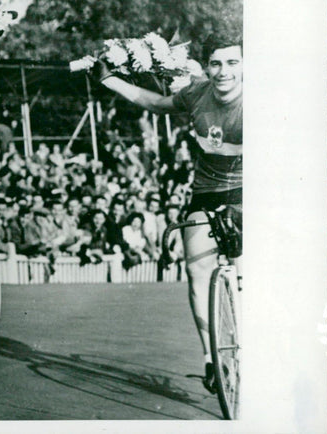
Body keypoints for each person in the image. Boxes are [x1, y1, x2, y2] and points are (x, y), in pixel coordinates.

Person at [93, 33, 242, 394]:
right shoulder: (196, 94)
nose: (224, 72)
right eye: (217, 64)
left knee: (245, 273)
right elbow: (156, 103)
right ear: (207, 67)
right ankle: (212, 358)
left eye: (233, 63)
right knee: (196, 269)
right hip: (205, 193)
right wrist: (110, 80)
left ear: (244, 66)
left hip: (248, 188)